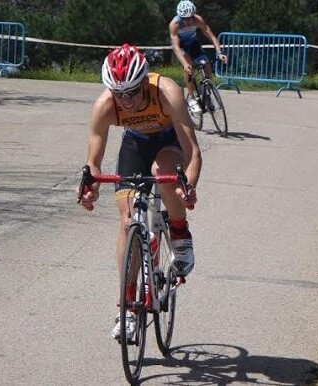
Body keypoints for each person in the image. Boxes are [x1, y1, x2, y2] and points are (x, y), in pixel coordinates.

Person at [77, 43, 202, 340]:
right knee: (127, 220)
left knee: (163, 174)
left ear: (144, 81)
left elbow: (193, 151)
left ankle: (181, 235)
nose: (127, 101)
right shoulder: (105, 105)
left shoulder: (167, 91)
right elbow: (92, 163)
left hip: (169, 141)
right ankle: (127, 308)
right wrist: (88, 188)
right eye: (119, 94)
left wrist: (190, 186)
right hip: (135, 144)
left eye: (132, 92)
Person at [169, 0, 227, 114]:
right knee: (189, 68)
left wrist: (220, 53)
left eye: (191, 17)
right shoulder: (174, 24)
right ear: (180, 17)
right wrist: (185, 64)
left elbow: (211, 36)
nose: (189, 21)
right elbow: (175, 47)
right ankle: (191, 98)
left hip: (193, 44)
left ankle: (206, 94)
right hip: (181, 47)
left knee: (206, 64)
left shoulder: (198, 20)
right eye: (185, 19)